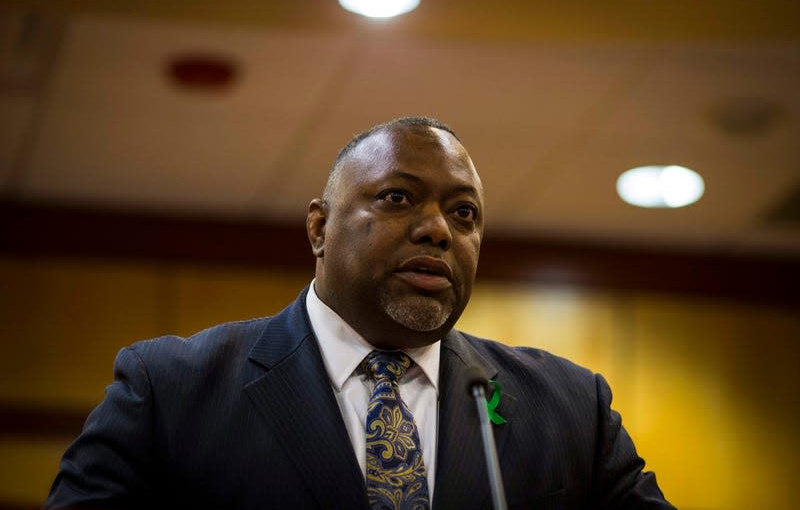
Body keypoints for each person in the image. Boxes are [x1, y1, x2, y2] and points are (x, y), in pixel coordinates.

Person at [45, 116, 675, 509]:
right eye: (398, 197)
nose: (438, 231)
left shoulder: (568, 410)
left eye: (464, 214)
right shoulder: (174, 389)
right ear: (319, 227)